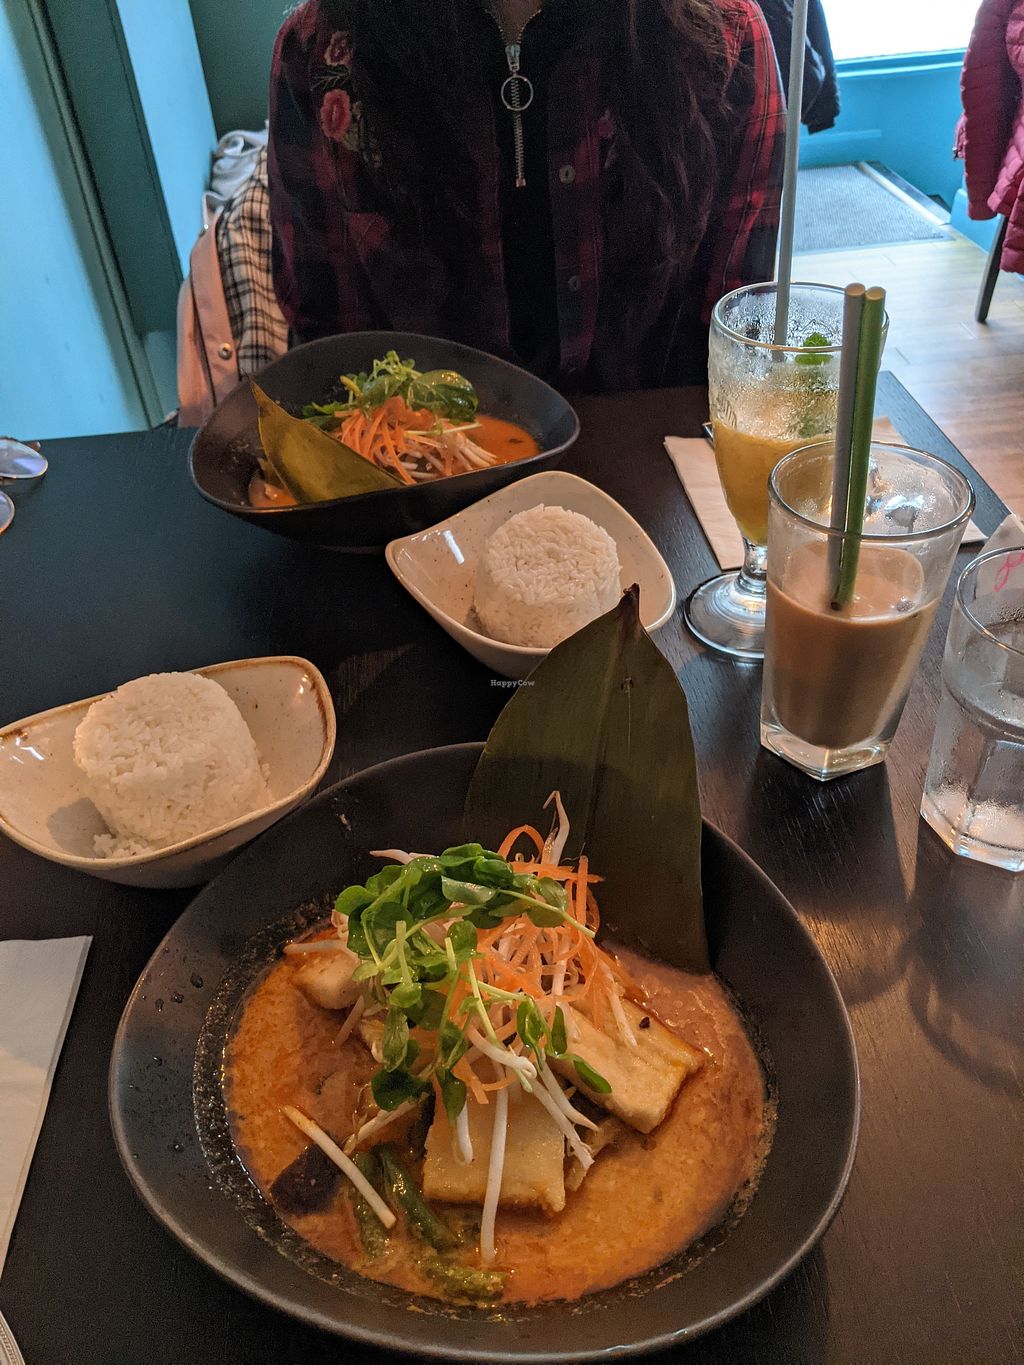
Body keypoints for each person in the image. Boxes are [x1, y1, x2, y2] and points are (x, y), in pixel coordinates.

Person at [268, 0, 785, 391]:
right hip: (422, 478)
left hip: (653, 473)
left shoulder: (726, 39)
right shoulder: (319, 55)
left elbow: (738, 344)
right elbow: (333, 357)